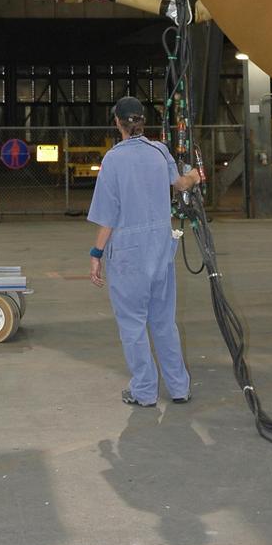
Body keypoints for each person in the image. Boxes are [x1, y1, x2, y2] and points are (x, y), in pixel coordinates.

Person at [88, 95, 202, 408]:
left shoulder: (113, 160)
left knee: (133, 325)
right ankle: (179, 387)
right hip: (160, 252)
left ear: (117, 123)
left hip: (127, 256)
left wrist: (96, 255)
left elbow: (108, 217)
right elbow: (180, 184)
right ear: (142, 122)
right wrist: (195, 176)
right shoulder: (159, 151)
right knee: (164, 322)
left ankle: (144, 391)